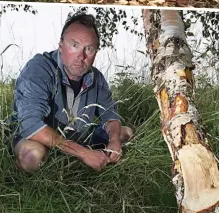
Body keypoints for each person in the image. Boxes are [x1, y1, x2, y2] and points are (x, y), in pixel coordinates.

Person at [8, 13, 133, 173]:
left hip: (77, 136)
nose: (81, 56)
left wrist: (114, 141)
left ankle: (79, 166)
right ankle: (32, 180)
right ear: (61, 46)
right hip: (38, 138)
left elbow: (111, 117)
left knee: (125, 133)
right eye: (74, 45)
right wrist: (83, 153)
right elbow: (31, 125)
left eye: (89, 48)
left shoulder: (96, 77)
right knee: (32, 156)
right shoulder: (39, 69)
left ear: (95, 52)